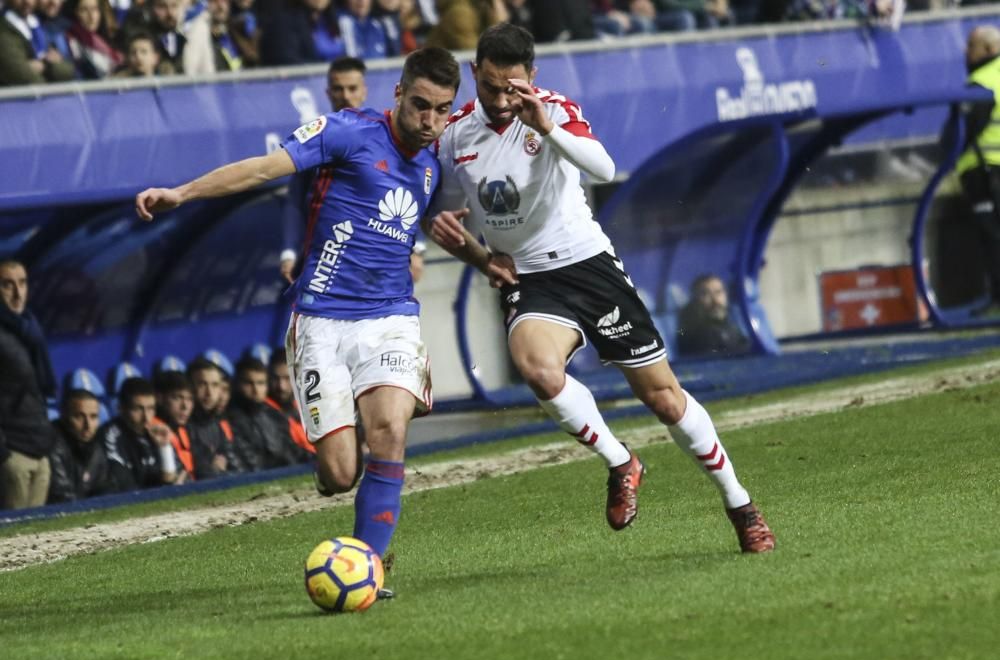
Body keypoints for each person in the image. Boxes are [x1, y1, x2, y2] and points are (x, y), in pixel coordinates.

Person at [425, 23, 774, 553]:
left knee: (664, 400)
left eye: (511, 87)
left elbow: (604, 167)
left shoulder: (554, 110)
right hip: (529, 276)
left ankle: (740, 504)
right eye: (490, 86)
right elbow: (447, 213)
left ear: (532, 78)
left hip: (587, 265)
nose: (500, 99)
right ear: (474, 73)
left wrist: (546, 125)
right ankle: (621, 460)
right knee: (538, 368)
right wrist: (474, 253)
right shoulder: (454, 135)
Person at [136, 47, 459, 572]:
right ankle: (339, 453)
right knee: (338, 474)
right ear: (398, 93)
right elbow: (262, 169)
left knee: (390, 434)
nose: (430, 121)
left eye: (442, 110)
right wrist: (183, 192)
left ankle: (369, 568)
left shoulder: (433, 161)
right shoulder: (346, 132)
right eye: (421, 105)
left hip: (390, 317)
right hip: (321, 320)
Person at [279, 55, 370, 284]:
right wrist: (289, 251)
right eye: (339, 89)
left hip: (371, 255)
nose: (346, 96)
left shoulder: (383, 137)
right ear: (328, 93)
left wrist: (416, 248)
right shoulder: (313, 138)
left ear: (364, 91)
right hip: (322, 255)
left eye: (352, 88)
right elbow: (295, 198)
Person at [0, 258, 58, 510]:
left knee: (38, 541)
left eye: (22, 283)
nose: (17, 292)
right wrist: (4, 456)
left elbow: (41, 388)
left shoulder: (30, 327)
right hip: (13, 453)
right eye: (7, 284)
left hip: (38, 446)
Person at [957, 25, 1000, 314]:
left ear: (988, 50)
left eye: (971, 45)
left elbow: (964, 132)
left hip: (985, 171)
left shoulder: (982, 82)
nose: (966, 51)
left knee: (992, 236)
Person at [96, 377, 182, 491]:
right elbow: (125, 488)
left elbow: (173, 480)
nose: (146, 417)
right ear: (121, 408)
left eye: (150, 408)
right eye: (138, 409)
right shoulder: (110, 436)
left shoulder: (155, 432)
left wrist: (164, 447)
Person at [226, 356, 305, 470]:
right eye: (249, 383)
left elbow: (292, 452)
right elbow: (248, 464)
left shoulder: (274, 415)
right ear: (237, 384)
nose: (256, 390)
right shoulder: (230, 419)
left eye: (261, 383)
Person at [47, 389, 111, 504]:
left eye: (93, 417)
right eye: (79, 416)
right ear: (63, 415)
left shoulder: (96, 448)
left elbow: (105, 490)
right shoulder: (52, 444)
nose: (88, 425)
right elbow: (62, 497)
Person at [186, 356, 240, 478]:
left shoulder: (217, 422)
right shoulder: (183, 424)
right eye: (202, 384)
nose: (209, 393)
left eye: (215, 385)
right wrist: (213, 468)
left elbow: (235, 466)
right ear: (190, 386)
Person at [0, 0, 75, 85]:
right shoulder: (4, 30)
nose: (27, 2)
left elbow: (69, 71)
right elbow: (24, 78)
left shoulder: (36, 25)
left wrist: (44, 66)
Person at [675, 274, 750, 356]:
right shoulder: (699, 336)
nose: (715, 301)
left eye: (718, 292)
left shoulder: (732, 328)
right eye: (705, 294)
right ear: (695, 301)